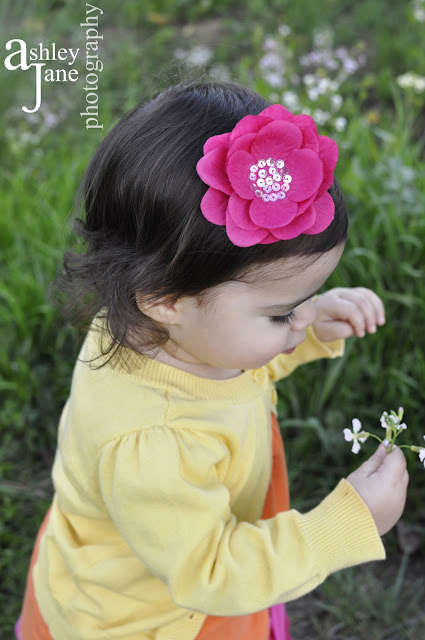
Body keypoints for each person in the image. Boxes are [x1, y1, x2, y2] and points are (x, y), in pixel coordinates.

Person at [16, 80, 409, 640]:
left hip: (163, 564)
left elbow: (228, 367)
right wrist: (346, 525)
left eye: (305, 299)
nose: (301, 316)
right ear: (165, 300)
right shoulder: (153, 446)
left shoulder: (155, 325)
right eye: (282, 313)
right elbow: (213, 572)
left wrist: (306, 328)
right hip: (157, 619)